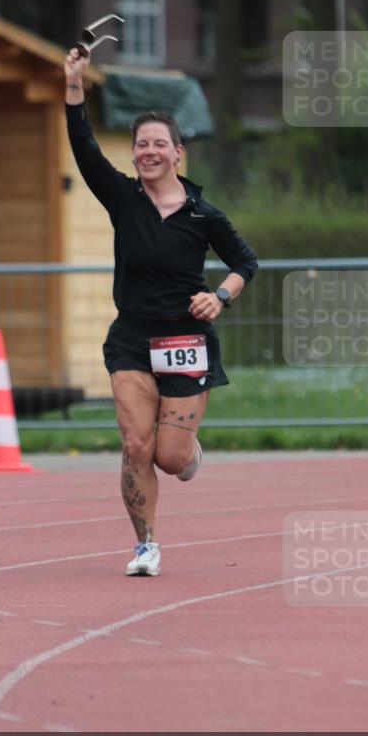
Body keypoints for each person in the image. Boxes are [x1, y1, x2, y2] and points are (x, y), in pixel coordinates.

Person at [65, 46, 258, 577]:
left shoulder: (203, 214)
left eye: (159, 145)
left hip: (185, 341)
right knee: (135, 443)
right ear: (133, 155)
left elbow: (245, 260)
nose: (148, 152)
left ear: (177, 153)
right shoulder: (123, 199)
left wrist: (220, 296)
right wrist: (75, 86)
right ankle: (145, 545)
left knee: (169, 459)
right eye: (140, 145)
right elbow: (83, 150)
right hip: (131, 339)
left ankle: (189, 451)